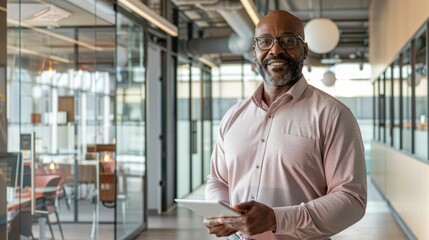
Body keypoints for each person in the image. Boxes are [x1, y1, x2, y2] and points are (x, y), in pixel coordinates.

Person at [204, 10, 367, 240]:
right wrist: (221, 212)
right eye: (265, 42)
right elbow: (218, 180)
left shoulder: (333, 115)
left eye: (288, 41)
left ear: (305, 51)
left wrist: (276, 219)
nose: (276, 50)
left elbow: (351, 199)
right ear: (254, 52)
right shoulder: (233, 116)